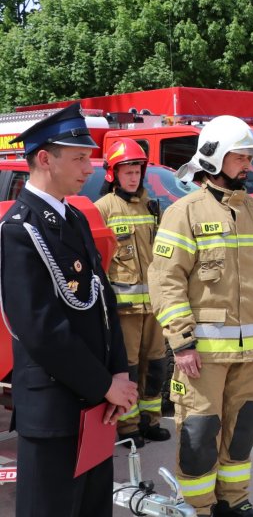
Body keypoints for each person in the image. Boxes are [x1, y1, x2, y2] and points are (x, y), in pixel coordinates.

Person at [0, 103, 137, 517]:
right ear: (45, 159)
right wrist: (104, 384)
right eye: (79, 158)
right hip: (54, 411)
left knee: (93, 508)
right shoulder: (19, 230)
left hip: (94, 402)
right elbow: (41, 330)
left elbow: (103, 301)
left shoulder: (73, 216)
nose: (89, 168)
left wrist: (119, 372)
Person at [148, 115, 253, 517]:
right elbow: (166, 281)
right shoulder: (184, 212)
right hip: (203, 355)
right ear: (213, 158)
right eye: (241, 157)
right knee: (199, 432)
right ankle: (198, 508)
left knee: (243, 430)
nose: (248, 166)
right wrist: (182, 343)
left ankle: (234, 500)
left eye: (249, 158)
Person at [95, 138, 170, 448]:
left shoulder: (151, 205)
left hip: (153, 307)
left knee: (155, 366)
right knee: (128, 369)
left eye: (137, 171)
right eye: (127, 171)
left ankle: (151, 421)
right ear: (113, 174)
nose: (133, 177)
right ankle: (128, 427)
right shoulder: (103, 209)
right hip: (123, 310)